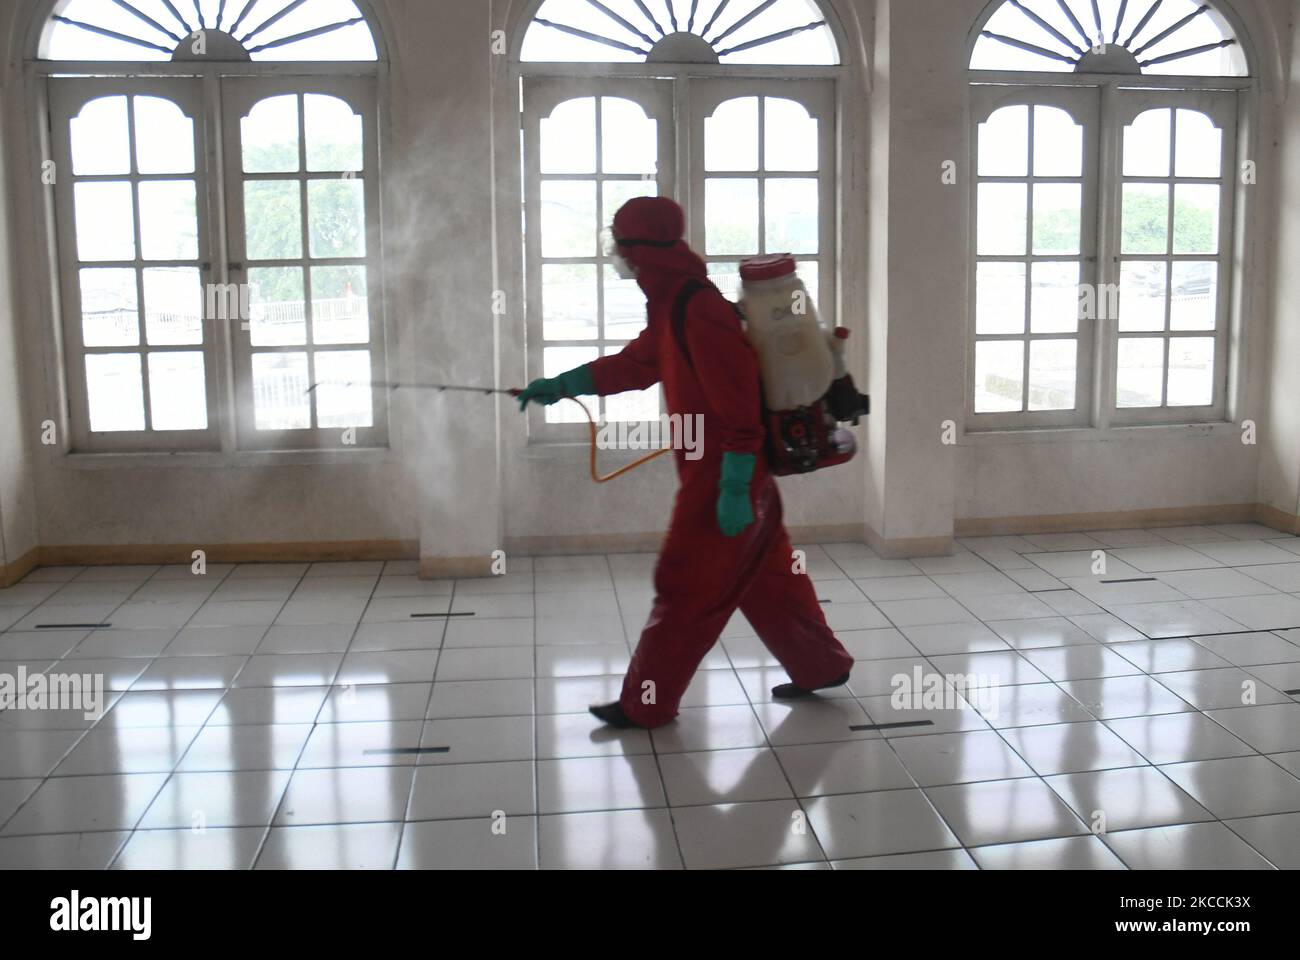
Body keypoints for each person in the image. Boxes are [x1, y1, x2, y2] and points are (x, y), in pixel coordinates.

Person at [517, 196, 853, 728]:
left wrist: (735, 481)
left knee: (686, 583)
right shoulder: (674, 300)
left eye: (620, 245)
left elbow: (737, 394)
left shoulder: (697, 308)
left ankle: (645, 702)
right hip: (725, 468)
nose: (617, 256)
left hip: (723, 473)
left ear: (642, 250)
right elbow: (638, 362)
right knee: (768, 574)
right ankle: (820, 664)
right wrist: (563, 385)